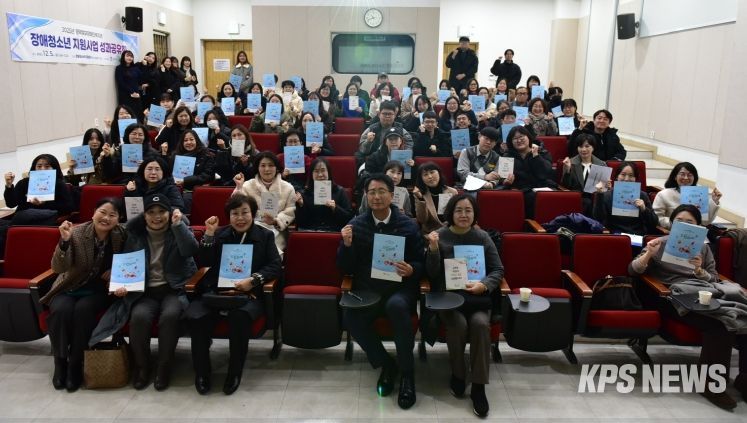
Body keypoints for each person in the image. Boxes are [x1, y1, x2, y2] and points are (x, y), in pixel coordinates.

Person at [628, 204, 747, 410]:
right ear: (672, 224)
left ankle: (744, 379)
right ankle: (711, 385)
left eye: (690, 222)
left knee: (741, 316)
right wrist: (648, 254)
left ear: (698, 227)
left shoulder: (703, 248)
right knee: (720, 325)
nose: (684, 225)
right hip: (671, 295)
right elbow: (633, 270)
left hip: (702, 292)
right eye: (679, 221)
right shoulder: (659, 243)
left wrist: (699, 270)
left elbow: (714, 278)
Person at [90, 194, 198, 391]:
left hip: (173, 290)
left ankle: (164, 367)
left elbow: (190, 249)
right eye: (151, 212)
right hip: (145, 291)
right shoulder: (134, 234)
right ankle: (143, 367)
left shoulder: (178, 228)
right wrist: (122, 285)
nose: (157, 216)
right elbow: (126, 263)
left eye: (161, 211)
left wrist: (178, 225)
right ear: (144, 215)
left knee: (170, 316)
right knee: (139, 317)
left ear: (169, 213)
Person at [337, 173, 424, 410]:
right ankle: (387, 363)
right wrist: (346, 246)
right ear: (366, 196)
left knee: (396, 307)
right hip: (369, 289)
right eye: (372, 192)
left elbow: (420, 261)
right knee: (351, 316)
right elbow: (345, 267)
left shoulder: (407, 225)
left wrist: (411, 269)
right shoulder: (356, 225)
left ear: (391, 195)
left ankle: (407, 374)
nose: (376, 196)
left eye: (381, 191)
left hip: (400, 288)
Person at [187, 194, 282, 395]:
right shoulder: (220, 234)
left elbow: (275, 266)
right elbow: (205, 262)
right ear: (228, 216)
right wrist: (209, 235)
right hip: (217, 292)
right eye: (235, 213)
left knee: (239, 317)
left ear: (253, 214)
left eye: (244, 212)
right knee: (197, 316)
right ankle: (202, 372)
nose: (240, 218)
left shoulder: (265, 235)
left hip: (249, 294)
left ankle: (234, 372)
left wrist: (253, 280)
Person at [425, 193, 503, 417]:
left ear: (474, 214)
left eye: (468, 210)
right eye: (458, 210)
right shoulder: (439, 235)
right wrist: (433, 249)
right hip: (449, 300)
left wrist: (484, 285)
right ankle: (458, 374)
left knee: (480, 324)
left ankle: (478, 385)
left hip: (477, 298)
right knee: (458, 325)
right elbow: (431, 273)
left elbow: (498, 269)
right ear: (450, 213)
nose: (463, 215)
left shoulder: (482, 237)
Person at [40, 198, 126, 392]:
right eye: (102, 212)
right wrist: (64, 242)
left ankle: (75, 363)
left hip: (98, 291)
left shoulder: (120, 235)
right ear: (93, 212)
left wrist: (116, 271)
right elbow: (58, 268)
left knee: (83, 310)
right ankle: (60, 362)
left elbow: (129, 259)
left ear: (119, 218)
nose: (106, 218)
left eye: (112, 215)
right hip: (69, 287)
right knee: (60, 310)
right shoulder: (77, 233)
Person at [233, 152, 296, 255]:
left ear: (276, 167)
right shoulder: (247, 185)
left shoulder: (288, 188)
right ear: (257, 168)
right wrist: (239, 187)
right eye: (263, 165)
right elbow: (236, 207)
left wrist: (275, 221)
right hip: (251, 228)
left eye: (271, 165)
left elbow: (290, 210)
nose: (267, 169)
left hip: (276, 229)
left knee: (271, 249)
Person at [3, 154, 74, 225]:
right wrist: (9, 186)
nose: (42, 169)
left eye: (47, 166)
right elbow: (11, 204)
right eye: (39, 166)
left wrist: (45, 203)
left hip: (45, 219)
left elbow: (68, 207)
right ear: (34, 168)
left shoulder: (59, 184)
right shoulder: (24, 183)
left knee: (23, 215)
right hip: (21, 219)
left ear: (54, 168)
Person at [592, 161, 658, 235]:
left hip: (638, 236)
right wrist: (599, 195)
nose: (626, 179)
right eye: (623, 174)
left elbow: (654, 223)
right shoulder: (607, 195)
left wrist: (644, 209)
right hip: (616, 236)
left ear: (635, 178)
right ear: (617, 177)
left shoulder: (642, 195)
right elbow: (599, 219)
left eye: (631, 175)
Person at [503, 126, 556, 216]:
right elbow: (503, 177)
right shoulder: (507, 156)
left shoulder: (542, 153)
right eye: (515, 138)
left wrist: (536, 156)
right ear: (511, 142)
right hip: (520, 191)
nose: (519, 140)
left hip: (542, 188)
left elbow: (546, 173)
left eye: (521, 137)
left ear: (528, 137)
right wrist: (506, 181)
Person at [653, 162, 722, 228]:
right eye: (682, 174)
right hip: (670, 231)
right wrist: (677, 223)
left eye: (690, 175)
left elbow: (705, 222)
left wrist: (714, 201)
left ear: (694, 178)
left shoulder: (698, 195)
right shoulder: (663, 194)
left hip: (694, 232)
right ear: (675, 177)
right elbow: (656, 218)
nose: (686, 178)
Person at [295, 157, 353, 232]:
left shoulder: (339, 191)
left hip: (333, 232)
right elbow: (300, 223)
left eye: (323, 170)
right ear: (311, 174)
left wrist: (335, 208)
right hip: (310, 232)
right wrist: (301, 206)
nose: (320, 174)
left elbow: (349, 218)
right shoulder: (305, 193)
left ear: (328, 172)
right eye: (316, 171)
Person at [170, 129, 216, 213]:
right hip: (176, 187)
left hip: (195, 188)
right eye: (185, 140)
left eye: (191, 139)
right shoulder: (175, 155)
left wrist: (186, 180)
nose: (189, 142)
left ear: (196, 140)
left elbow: (208, 176)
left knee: (186, 199)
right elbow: (169, 173)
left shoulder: (206, 155)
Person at [561, 134, 607, 215]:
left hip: (596, 203)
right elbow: (565, 187)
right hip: (575, 202)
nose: (583, 149)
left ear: (593, 148)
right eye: (580, 146)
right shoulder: (570, 163)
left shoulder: (601, 164)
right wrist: (568, 170)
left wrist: (606, 186)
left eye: (587, 146)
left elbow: (604, 190)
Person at [357, 101, 413, 166]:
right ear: (379, 114)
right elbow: (362, 150)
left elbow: (409, 143)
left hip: (395, 163)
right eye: (384, 113)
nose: (387, 116)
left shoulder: (400, 129)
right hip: (376, 162)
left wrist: (404, 155)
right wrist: (368, 142)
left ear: (395, 115)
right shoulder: (371, 129)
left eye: (390, 114)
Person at [413, 161, 458, 234]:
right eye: (425, 174)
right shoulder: (420, 194)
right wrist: (420, 199)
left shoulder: (453, 192)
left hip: (450, 231)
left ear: (439, 173)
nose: (430, 177)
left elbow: (455, 215)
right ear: (421, 179)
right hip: (430, 233)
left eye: (432, 172)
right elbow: (422, 220)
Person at [114, 50, 143, 120]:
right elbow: (120, 82)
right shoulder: (119, 68)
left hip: (136, 95)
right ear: (123, 57)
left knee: (137, 114)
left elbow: (142, 79)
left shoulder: (135, 68)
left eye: (131, 56)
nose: (129, 58)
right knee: (126, 115)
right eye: (127, 56)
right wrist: (131, 92)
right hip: (125, 95)